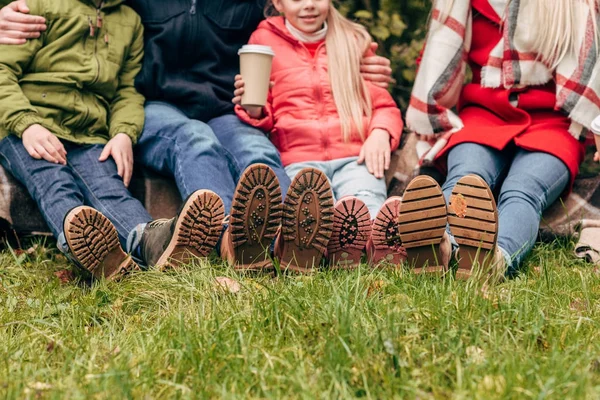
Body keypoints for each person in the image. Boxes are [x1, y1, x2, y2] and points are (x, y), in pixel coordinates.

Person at [0, 0, 396, 272]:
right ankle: (229, 239)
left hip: (226, 106)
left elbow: (299, 23)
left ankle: (293, 235)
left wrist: (357, 61)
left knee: (256, 149)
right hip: (156, 105)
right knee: (195, 140)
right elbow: (87, 15)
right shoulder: (130, 7)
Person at [0, 0, 226, 280]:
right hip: (28, 125)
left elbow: (127, 90)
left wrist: (123, 133)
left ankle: (153, 243)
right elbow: (3, 70)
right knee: (54, 182)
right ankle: (90, 252)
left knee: (109, 189)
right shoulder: (41, 5)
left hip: (90, 131)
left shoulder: (129, 20)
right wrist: (26, 123)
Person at [401, 0, 600, 280]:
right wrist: (430, 110)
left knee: (523, 190)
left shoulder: (569, 5)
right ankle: (436, 245)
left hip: (553, 123)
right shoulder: (466, 3)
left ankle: (495, 259)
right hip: (483, 115)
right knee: (465, 177)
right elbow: (436, 56)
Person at [232, 0, 404, 270]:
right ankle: (330, 246)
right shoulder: (264, 40)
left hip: (354, 155)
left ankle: (377, 243)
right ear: (278, 3)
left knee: (364, 200)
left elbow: (383, 105)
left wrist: (381, 132)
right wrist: (252, 106)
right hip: (299, 158)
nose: (309, 5)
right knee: (309, 211)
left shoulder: (351, 40)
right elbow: (264, 111)